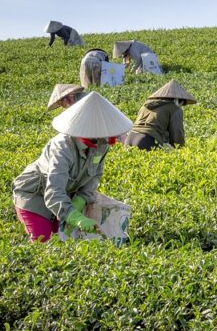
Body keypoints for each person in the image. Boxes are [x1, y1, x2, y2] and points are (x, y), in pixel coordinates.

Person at [12, 92, 132, 242]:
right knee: (43, 240)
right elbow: (54, 192)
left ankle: (61, 216)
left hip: (66, 196)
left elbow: (94, 177)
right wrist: (76, 218)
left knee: (65, 238)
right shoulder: (62, 147)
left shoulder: (101, 144)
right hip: (35, 195)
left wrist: (81, 200)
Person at [124, 80, 196, 150]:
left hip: (129, 139)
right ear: (179, 101)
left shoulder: (146, 104)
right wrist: (180, 150)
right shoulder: (175, 108)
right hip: (147, 140)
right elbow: (177, 135)